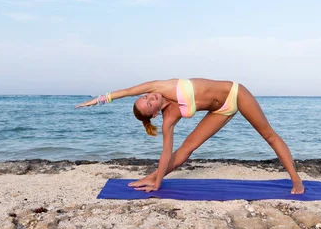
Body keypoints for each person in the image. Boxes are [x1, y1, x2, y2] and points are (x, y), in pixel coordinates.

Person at [76, 78, 305, 194]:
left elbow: (125, 92)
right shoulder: (167, 119)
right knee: (186, 149)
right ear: (154, 114)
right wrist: (158, 181)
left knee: (269, 136)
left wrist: (96, 100)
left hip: (236, 93)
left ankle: (296, 180)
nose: (149, 98)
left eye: (146, 97)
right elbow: (167, 153)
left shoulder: (160, 85)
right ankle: (151, 177)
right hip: (220, 110)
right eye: (148, 105)